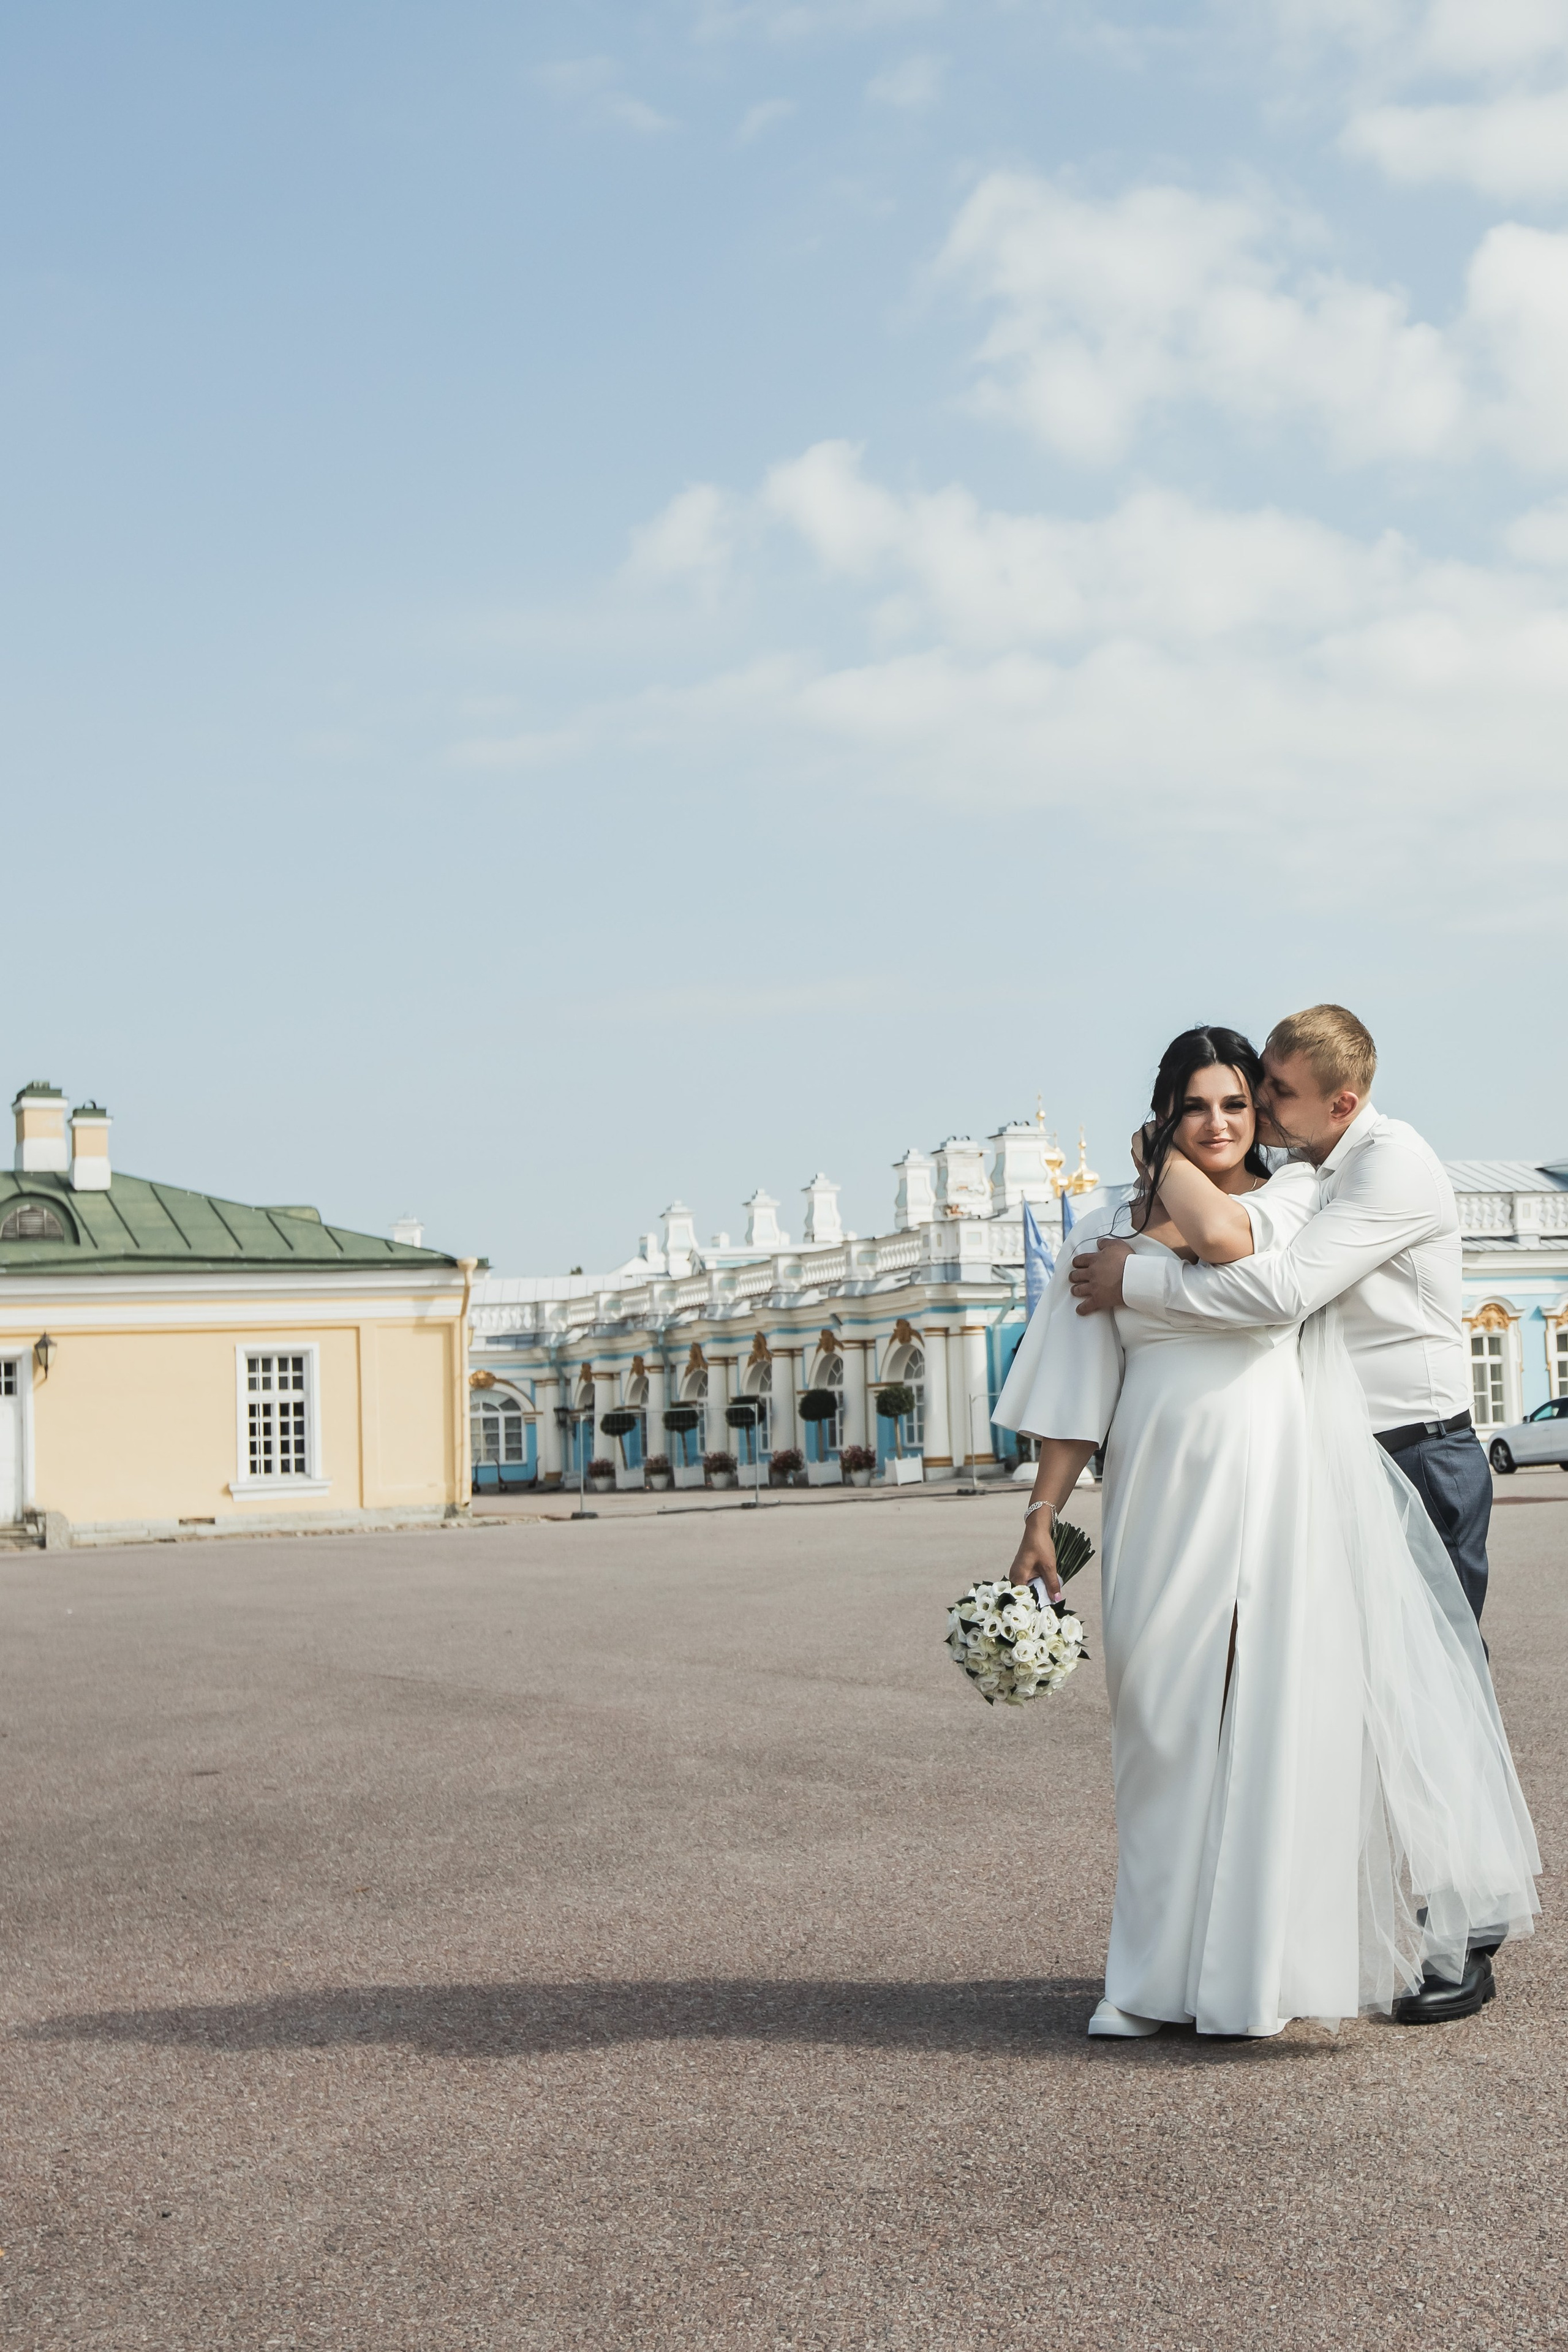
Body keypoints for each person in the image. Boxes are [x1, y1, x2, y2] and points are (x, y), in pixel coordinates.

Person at [998, 1024, 1538, 2042]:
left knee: (1371, 1708)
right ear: (1166, 1108)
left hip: (1343, 1463)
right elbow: (1075, 1385)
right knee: (1160, 1722)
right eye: (1199, 1105)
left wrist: (1140, 1248)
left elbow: (1261, 1281)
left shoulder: (1307, 1193)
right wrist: (1042, 1514)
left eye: (1248, 1100)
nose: (1235, 1120)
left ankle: (1376, 1950)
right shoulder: (1117, 1225)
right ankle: (1157, 1972)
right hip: (1181, 1485)